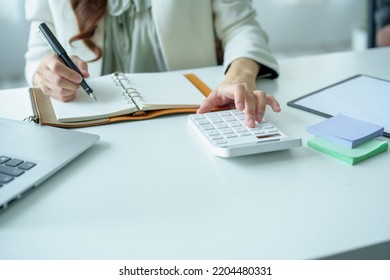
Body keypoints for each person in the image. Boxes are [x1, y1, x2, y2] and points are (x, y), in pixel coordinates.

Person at [25, 0, 281, 128]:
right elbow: (38, 53)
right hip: (95, 123)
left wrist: (238, 78)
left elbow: (241, 27)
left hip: (191, 117)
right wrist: (45, 75)